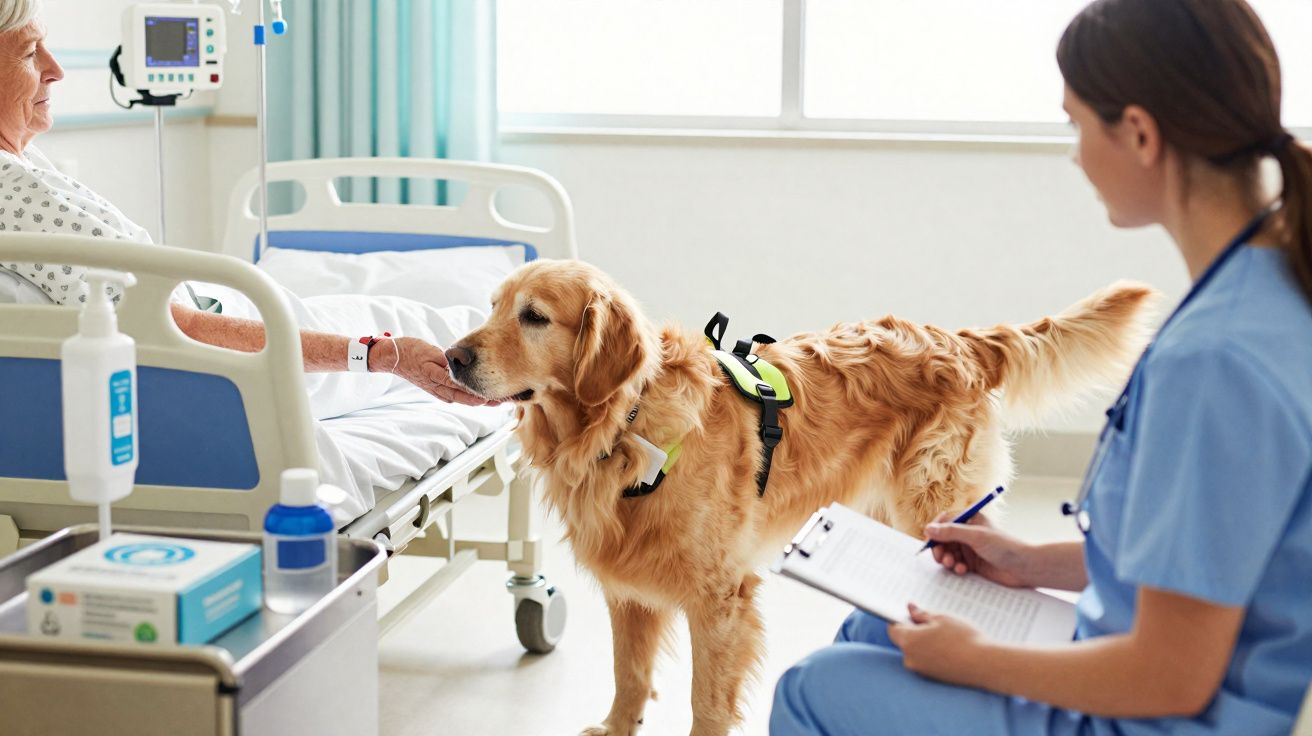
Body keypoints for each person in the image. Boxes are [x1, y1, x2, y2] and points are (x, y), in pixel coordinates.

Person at [771, 0, 1312, 733]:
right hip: (1160, 660)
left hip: (1161, 712)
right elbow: (1213, 553)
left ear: (1140, 134)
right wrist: (1029, 562)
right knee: (878, 623)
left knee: (811, 688)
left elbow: (1172, 676)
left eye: (1076, 125)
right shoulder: (1271, 285)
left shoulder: (1213, 363)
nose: (1076, 156)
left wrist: (975, 661)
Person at [0, 0, 503, 521]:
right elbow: (172, 328)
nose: (56, 70)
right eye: (32, 53)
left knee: (414, 322)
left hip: (231, 327)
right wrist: (379, 354)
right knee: (412, 321)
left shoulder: (20, 168)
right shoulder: (14, 190)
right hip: (242, 350)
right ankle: (541, 368)